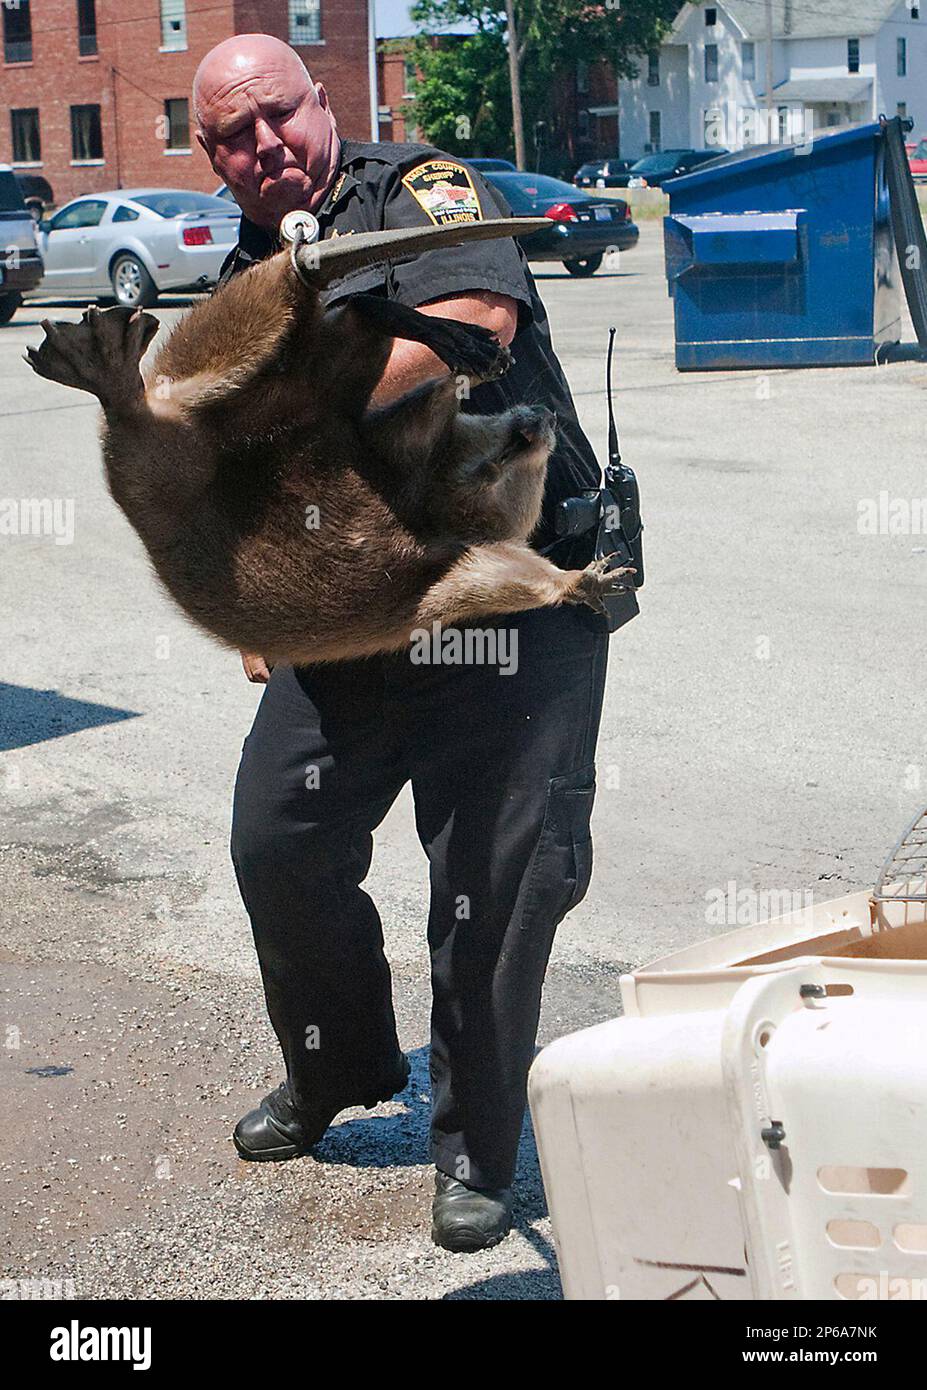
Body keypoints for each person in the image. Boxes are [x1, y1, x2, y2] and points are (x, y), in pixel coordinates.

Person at [193, 33, 610, 1253]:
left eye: (279, 113)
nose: (265, 143)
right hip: (357, 619)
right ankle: (340, 1065)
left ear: (321, 103)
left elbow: (475, 320)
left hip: (506, 597)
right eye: (233, 134)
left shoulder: (423, 189)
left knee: (491, 883)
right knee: (280, 837)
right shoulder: (242, 277)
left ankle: (477, 1146)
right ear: (213, 158)